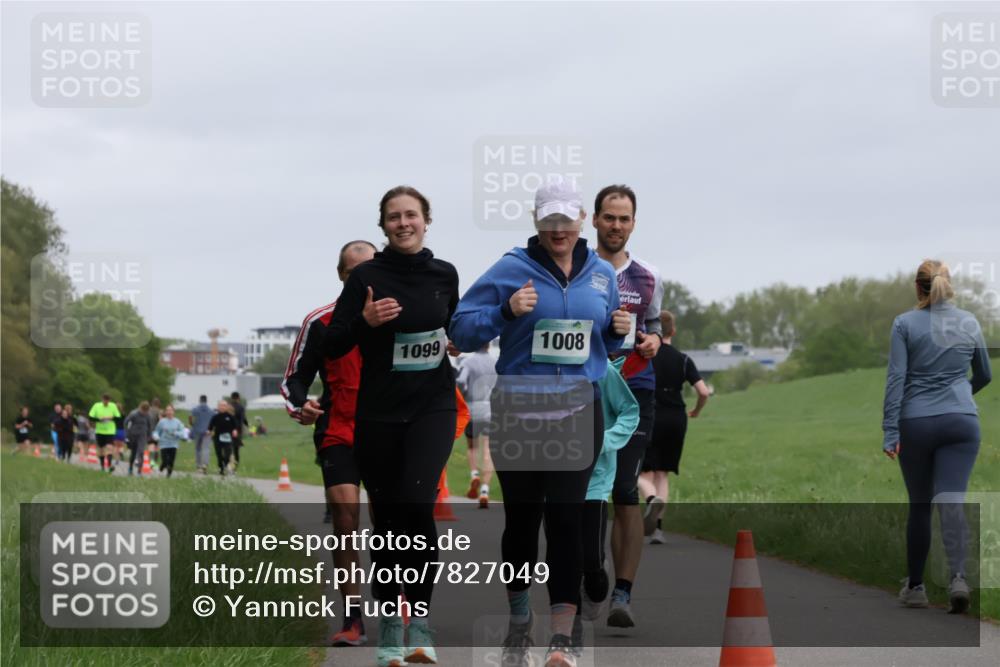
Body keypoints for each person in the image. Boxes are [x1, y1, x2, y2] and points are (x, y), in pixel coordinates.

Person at [451, 180, 630, 667]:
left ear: (581, 222)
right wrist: (505, 310)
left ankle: (562, 638)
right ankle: (517, 623)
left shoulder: (601, 275)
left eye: (567, 220)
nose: (559, 229)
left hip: (578, 409)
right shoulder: (511, 268)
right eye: (549, 220)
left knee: (568, 522)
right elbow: (461, 328)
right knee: (523, 524)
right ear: (537, 221)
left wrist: (618, 337)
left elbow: (606, 346)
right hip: (519, 411)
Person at [324, 186, 459, 667]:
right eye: (394, 217)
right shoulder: (365, 277)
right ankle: (388, 628)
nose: (404, 223)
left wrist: (462, 338)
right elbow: (334, 342)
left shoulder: (445, 274)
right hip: (379, 412)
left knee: (418, 504)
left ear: (426, 220)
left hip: (433, 406)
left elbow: (453, 328)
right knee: (387, 522)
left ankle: (418, 621)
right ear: (383, 226)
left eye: (412, 215)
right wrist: (363, 321)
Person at [282, 239, 376, 647]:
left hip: (391, 431)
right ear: (341, 276)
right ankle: (352, 616)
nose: (363, 279)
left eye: (370, 270)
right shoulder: (320, 322)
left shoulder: (397, 315)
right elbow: (295, 379)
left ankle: (400, 603)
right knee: (345, 523)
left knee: (396, 525)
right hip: (339, 430)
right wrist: (301, 405)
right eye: (354, 272)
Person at [883, 260, 991, 614]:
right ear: (949, 284)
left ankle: (915, 588)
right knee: (952, 501)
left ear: (918, 287)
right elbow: (985, 374)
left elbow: (897, 379)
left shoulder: (904, 324)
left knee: (920, 506)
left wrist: (890, 430)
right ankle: (958, 578)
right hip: (961, 421)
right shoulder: (970, 322)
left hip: (915, 422)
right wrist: (961, 397)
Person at [589, 184, 664, 628]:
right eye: (609, 217)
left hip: (636, 391)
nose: (616, 226)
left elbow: (653, 327)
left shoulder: (649, 275)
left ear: (633, 223)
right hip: (588, 390)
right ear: (595, 220)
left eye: (624, 218)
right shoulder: (577, 269)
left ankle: (624, 593)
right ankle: (590, 570)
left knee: (622, 491)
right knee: (587, 494)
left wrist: (653, 340)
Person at [638, 310, 710, 545]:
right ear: (674, 331)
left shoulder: (644, 354)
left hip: (649, 413)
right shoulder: (683, 359)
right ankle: (658, 529)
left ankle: (649, 499)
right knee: (663, 473)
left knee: (640, 473)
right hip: (676, 417)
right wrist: (697, 411)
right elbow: (703, 391)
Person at [580, 357, 639, 626]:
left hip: (596, 479)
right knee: (561, 552)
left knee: (591, 559)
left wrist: (605, 441)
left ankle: (595, 576)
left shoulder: (601, 368)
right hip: (554, 474)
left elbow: (629, 410)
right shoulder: (542, 368)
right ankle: (568, 619)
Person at [455, 342, 498, 508]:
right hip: (490, 409)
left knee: (472, 447)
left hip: (472, 408)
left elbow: (461, 383)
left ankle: (474, 475)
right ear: (488, 345)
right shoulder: (495, 361)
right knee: (487, 449)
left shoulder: (468, 362)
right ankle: (485, 490)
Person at [89, 394, 122, 472]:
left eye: (107, 400)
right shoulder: (96, 406)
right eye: (104, 400)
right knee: (101, 450)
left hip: (110, 431)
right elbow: (90, 417)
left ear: (109, 400)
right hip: (99, 431)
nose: (106, 402)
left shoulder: (113, 406)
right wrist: (99, 419)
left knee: (109, 448)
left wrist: (111, 418)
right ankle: (102, 466)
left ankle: (110, 465)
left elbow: (118, 418)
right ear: (102, 399)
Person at [208, 400, 240, 476]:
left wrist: (235, 431)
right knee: (219, 454)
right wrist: (208, 431)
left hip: (227, 438)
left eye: (224, 405)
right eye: (221, 405)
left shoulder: (230, 417)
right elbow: (210, 427)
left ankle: (225, 465)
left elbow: (235, 426)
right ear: (218, 407)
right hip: (217, 438)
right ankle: (221, 469)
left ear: (226, 407)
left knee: (228, 454)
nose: (222, 407)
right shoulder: (215, 417)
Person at [152, 404, 185, 477]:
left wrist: (176, 433)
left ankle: (168, 476)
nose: (169, 412)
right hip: (164, 444)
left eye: (170, 410)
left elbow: (182, 432)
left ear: (173, 412)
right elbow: (156, 431)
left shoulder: (177, 422)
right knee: (165, 461)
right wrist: (156, 436)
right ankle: (160, 470)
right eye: (167, 410)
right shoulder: (162, 422)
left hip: (174, 444)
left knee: (171, 461)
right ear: (165, 412)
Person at [125, 402, 154, 475]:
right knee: (133, 453)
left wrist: (149, 436)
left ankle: (139, 471)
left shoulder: (148, 416)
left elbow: (150, 426)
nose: (144, 413)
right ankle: (130, 469)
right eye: (143, 411)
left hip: (142, 436)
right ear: (140, 408)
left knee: (141, 452)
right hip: (133, 435)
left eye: (146, 411)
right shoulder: (133, 414)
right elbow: (126, 422)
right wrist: (127, 433)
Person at [188, 395, 215, 474]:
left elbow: (190, 416)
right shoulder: (211, 410)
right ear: (206, 401)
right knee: (206, 448)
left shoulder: (196, 409)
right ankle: (205, 465)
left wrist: (192, 424)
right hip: (207, 431)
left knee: (198, 449)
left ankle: (198, 466)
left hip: (197, 430)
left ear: (200, 400)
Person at [229, 392, 249, 471]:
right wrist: (247, 424)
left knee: (228, 448)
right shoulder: (241, 407)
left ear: (231, 397)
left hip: (228, 429)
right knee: (236, 449)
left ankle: (228, 465)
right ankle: (235, 468)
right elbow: (243, 418)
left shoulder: (228, 406)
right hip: (238, 430)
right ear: (238, 398)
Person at [148, 397, 162, 467]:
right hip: (156, 431)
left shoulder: (148, 410)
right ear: (159, 404)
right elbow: (161, 421)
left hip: (149, 430)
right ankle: (154, 462)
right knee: (156, 447)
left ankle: (151, 461)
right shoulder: (159, 411)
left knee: (150, 445)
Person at [113, 402, 127, 467]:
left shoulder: (114, 416)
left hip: (115, 431)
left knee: (115, 446)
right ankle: (121, 452)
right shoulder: (124, 415)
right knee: (120, 446)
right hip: (122, 431)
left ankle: (116, 460)